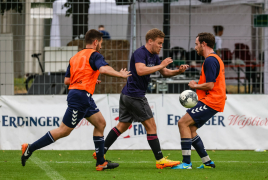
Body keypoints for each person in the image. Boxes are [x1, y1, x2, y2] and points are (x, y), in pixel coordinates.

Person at [21, 29, 131, 171]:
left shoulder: (75, 57)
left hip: (82, 96)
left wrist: (89, 79)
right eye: (101, 43)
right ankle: (29, 148)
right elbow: (104, 69)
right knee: (63, 131)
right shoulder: (95, 55)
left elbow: (67, 80)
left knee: (101, 123)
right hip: (80, 97)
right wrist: (120, 75)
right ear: (96, 42)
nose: (101, 47)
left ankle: (101, 162)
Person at [93, 28, 189, 169]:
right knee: (151, 126)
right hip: (134, 95)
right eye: (159, 43)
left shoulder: (154, 56)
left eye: (162, 43)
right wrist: (160, 65)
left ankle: (101, 152)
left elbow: (164, 72)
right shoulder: (140, 53)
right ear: (150, 41)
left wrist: (177, 71)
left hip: (128, 94)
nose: (161, 46)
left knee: (122, 126)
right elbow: (140, 70)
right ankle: (160, 160)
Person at [171, 32, 226, 170]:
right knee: (190, 128)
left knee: (182, 122)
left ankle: (186, 163)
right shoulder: (215, 59)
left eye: (196, 44)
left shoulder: (210, 60)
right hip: (213, 100)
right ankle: (207, 162)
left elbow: (210, 85)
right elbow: (217, 83)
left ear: (204, 44)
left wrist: (195, 86)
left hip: (211, 101)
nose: (195, 47)